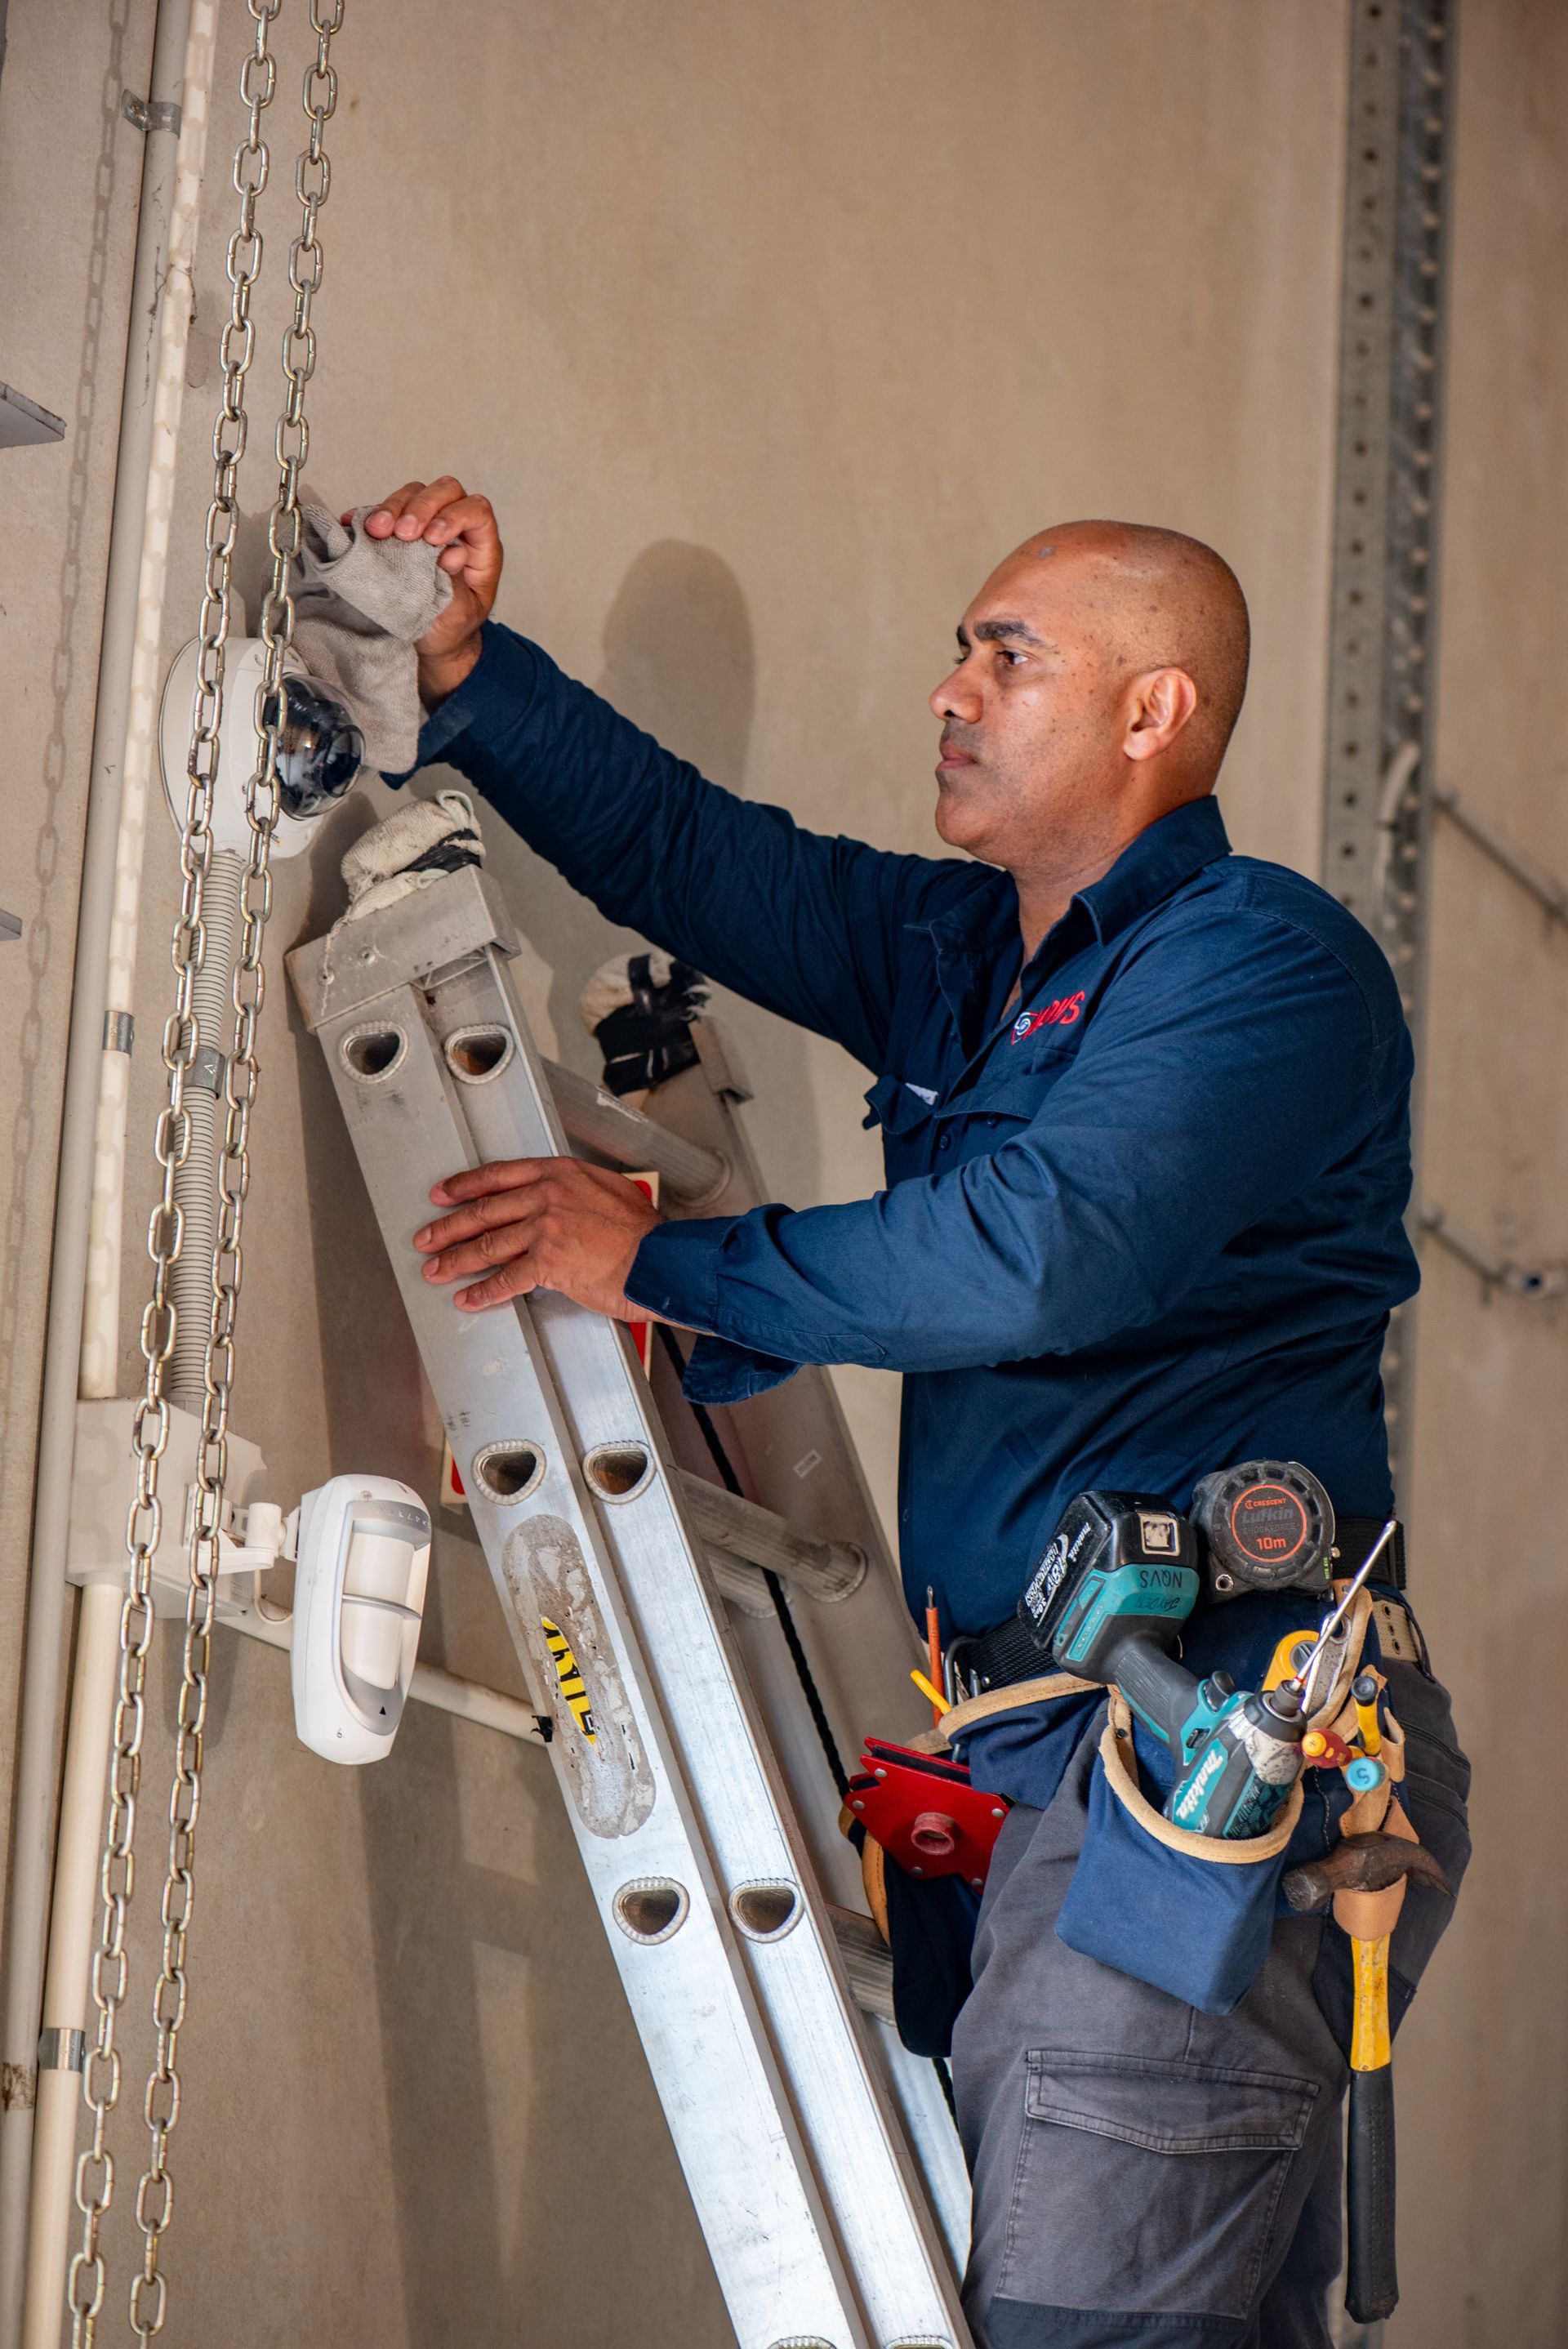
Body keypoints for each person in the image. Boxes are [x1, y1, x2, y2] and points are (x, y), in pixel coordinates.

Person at [368, 478, 1468, 2349]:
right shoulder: (971, 961)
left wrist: (661, 1265)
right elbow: (697, 853)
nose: (950, 686)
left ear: (1153, 714)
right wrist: (466, 664)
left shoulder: (1263, 967)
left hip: (1186, 1762)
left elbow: (1043, 1255)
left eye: (1007, 652)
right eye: (960, 644)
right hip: (1053, 1762)